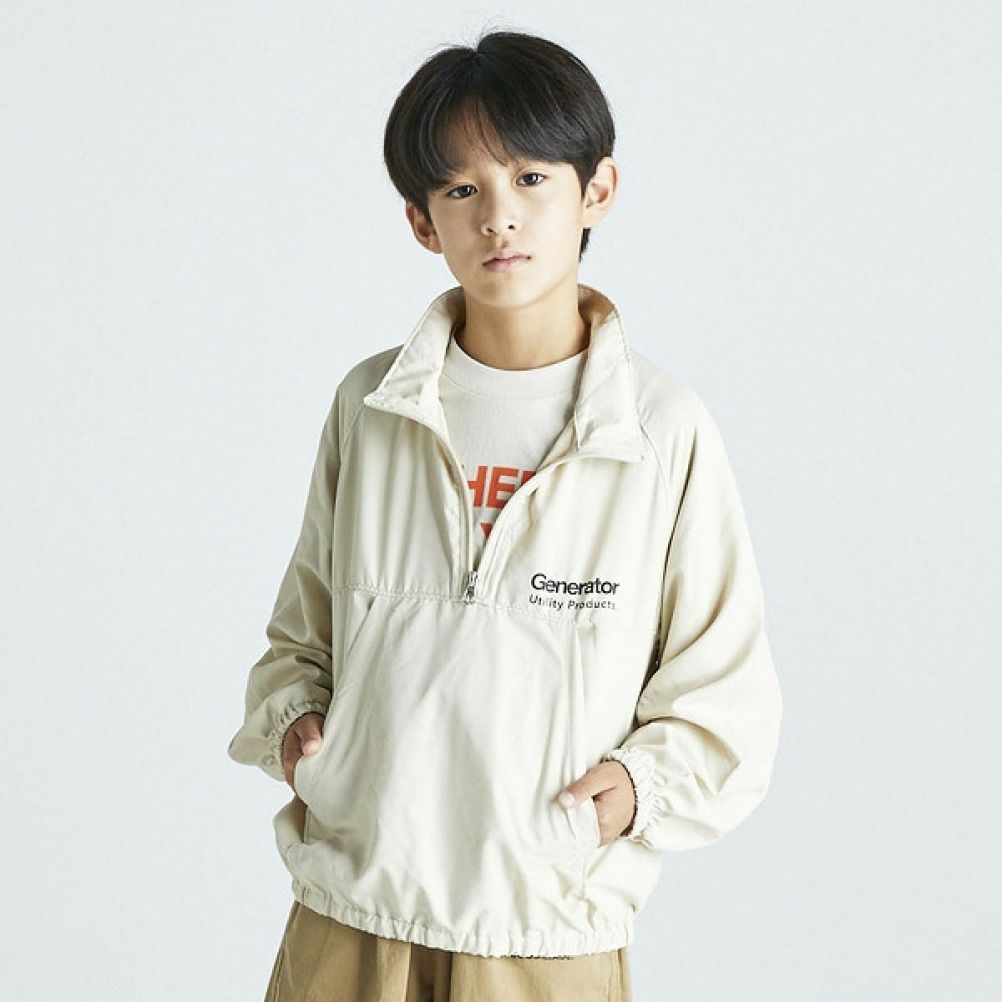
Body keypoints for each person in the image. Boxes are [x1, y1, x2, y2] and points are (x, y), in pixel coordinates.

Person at [227, 27, 783, 1002]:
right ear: (420, 220)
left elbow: (724, 691)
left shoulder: (660, 432)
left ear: (596, 191)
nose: (499, 218)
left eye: (531, 178)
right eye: (461, 189)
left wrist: (635, 791)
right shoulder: (372, 407)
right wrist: (300, 730)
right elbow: (299, 636)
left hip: (543, 929)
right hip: (349, 910)